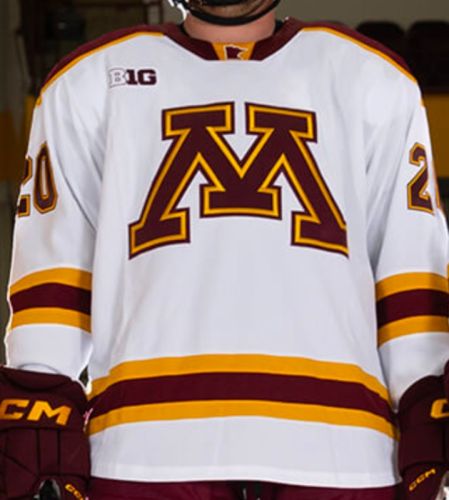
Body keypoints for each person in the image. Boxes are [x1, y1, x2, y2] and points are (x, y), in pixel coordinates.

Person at [1, 0, 449, 499]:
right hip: (146, 444)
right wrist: (41, 396)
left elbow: (410, 269)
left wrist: (425, 402)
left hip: (342, 446)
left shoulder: (374, 79)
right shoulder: (87, 82)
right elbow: (53, 273)